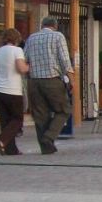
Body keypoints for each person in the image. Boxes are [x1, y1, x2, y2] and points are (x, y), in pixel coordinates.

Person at [24, 16, 74, 154]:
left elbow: (25, 59)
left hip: (33, 81)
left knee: (40, 115)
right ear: (55, 26)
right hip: (52, 79)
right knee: (64, 110)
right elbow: (64, 59)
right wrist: (71, 78)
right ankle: (49, 136)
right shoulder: (58, 36)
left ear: (42, 25)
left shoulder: (31, 38)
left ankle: (46, 147)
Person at [0, 28, 29, 155]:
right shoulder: (17, 50)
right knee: (17, 120)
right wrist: (29, 66)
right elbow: (21, 68)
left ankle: (10, 149)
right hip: (12, 90)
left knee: (5, 121)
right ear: (16, 39)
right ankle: (1, 139)